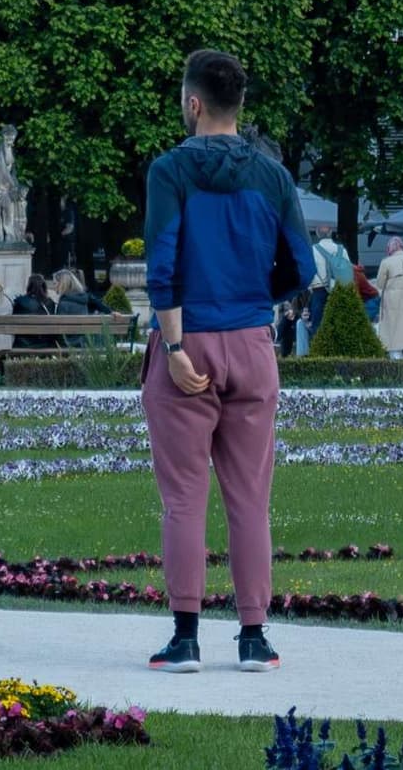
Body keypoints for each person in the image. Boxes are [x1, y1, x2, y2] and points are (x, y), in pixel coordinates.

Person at [140, 48, 306, 677]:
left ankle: (185, 638)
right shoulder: (274, 178)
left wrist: (177, 348)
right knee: (250, 501)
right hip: (252, 342)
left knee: (184, 499)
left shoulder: (170, 171)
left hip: (190, 339)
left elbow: (162, 264)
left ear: (192, 103)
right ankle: (254, 638)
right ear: (240, 105)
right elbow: (302, 269)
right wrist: (251, 302)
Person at [299, 217, 355, 354]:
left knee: (317, 326)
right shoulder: (341, 250)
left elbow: (307, 271)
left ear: (317, 234)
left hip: (318, 291)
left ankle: (319, 356)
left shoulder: (312, 250)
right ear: (331, 233)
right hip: (339, 292)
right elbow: (349, 272)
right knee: (338, 325)